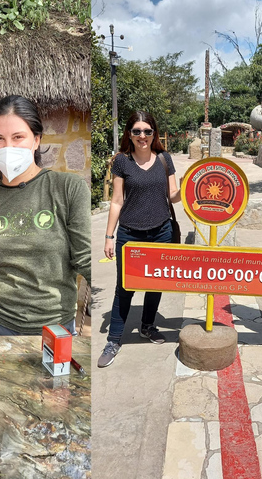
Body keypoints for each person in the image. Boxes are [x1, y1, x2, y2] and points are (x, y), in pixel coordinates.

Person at [0, 95, 91, 336]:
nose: (7, 147)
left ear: (36, 140)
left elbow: (85, 258)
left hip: (54, 328)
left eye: (17, 137)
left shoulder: (68, 188)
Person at [99, 111, 180, 367]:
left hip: (161, 231)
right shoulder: (122, 162)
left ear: (154, 133)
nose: (142, 136)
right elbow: (116, 201)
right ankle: (113, 340)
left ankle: (147, 325)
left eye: (147, 131)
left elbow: (174, 194)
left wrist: (194, 189)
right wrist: (109, 236)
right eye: (137, 131)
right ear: (129, 134)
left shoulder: (165, 160)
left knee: (155, 283)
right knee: (125, 287)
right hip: (130, 234)